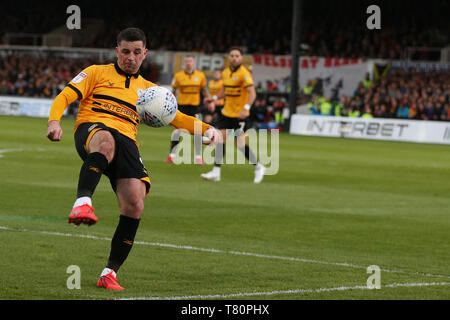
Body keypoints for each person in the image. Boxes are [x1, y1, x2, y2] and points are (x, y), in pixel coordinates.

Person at [46, 27, 218, 291]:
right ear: (117, 51)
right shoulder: (95, 73)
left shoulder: (150, 91)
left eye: (136, 52)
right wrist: (54, 121)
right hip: (93, 128)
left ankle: (109, 273)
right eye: (125, 51)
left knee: (135, 203)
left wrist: (209, 130)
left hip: (127, 141)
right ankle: (82, 203)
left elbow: (179, 118)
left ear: (144, 54)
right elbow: (65, 96)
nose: (130, 57)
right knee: (105, 141)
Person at [201, 47, 266, 184]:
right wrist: (213, 98)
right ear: (229, 57)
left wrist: (246, 108)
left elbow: (253, 93)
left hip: (240, 115)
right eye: (232, 55)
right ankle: (216, 172)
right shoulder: (225, 73)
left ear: (241, 58)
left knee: (240, 145)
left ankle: (259, 166)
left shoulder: (244, 74)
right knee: (220, 140)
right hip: (227, 112)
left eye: (237, 55)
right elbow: (225, 90)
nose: (234, 58)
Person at [165, 55, 210, 165]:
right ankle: (172, 156)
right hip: (182, 107)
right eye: (187, 61)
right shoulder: (178, 76)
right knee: (177, 131)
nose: (188, 63)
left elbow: (204, 89)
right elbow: (173, 90)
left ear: (194, 63)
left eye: (190, 61)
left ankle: (198, 157)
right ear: (184, 64)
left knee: (198, 131)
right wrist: (171, 104)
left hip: (195, 107)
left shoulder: (200, 75)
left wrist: (209, 99)